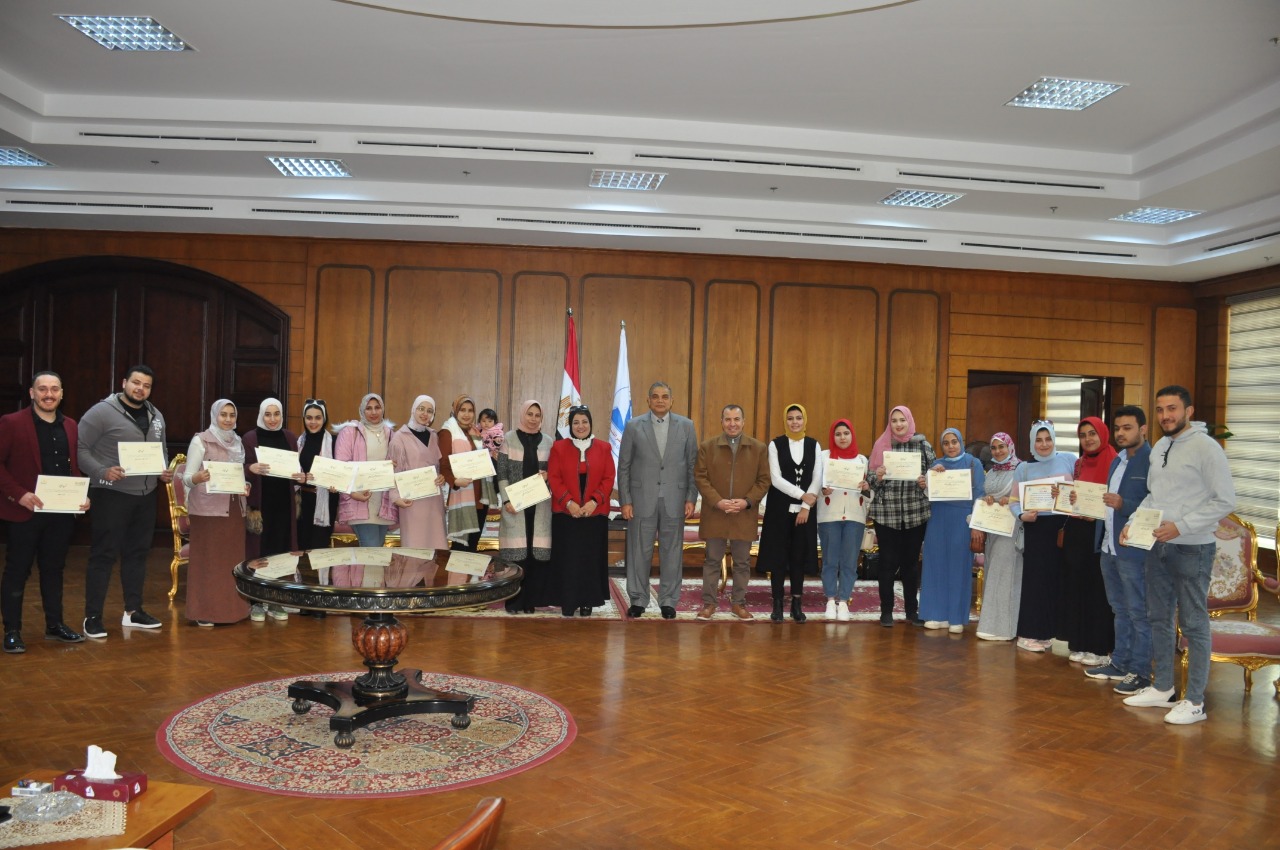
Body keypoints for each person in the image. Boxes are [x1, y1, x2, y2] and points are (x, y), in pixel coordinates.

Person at [1121, 386, 1235, 725]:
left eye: (1172, 408)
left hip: (1192, 547)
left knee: (1194, 624)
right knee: (1158, 617)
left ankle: (1195, 701)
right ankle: (1163, 688)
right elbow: (1154, 497)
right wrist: (1132, 522)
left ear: (1189, 410)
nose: (1165, 416)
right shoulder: (1160, 447)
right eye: (1160, 410)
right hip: (1158, 545)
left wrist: (1181, 527)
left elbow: (1225, 500)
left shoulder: (1207, 448)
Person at [77, 364, 173, 638]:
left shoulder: (156, 416)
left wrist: (163, 470)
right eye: (136, 383)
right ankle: (92, 617)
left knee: (138, 554)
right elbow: (80, 448)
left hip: (146, 496)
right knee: (104, 555)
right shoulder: (100, 412)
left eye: (146, 385)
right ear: (124, 383)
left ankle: (133, 611)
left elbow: (161, 451)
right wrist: (101, 471)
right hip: (111, 494)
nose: (140, 389)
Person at [0, 371, 90, 653]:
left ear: (61, 393)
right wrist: (20, 494)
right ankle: (12, 631)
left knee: (54, 570)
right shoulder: (11, 423)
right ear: (32, 393)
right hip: (24, 512)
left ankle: (55, 625)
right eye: (42, 389)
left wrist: (81, 495)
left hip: (60, 514)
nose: (48, 394)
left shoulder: (71, 425)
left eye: (54, 389)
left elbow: (72, 467)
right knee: (17, 571)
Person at [1083, 405, 1153, 695]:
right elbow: (1106, 503)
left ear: (1143, 429)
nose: (1121, 433)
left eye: (1128, 428)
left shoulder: (1151, 462)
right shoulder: (1117, 460)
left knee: (1139, 612)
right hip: (1109, 547)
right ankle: (1120, 663)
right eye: (1118, 428)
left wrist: (1124, 505)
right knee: (1119, 609)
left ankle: (1141, 671)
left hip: (1135, 550)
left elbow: (1156, 506)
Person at [618, 382, 698, 619]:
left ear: (672, 401)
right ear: (648, 400)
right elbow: (624, 466)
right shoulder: (633, 426)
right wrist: (626, 500)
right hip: (641, 500)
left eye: (664, 396)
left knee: (672, 553)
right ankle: (638, 599)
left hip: (675, 499)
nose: (660, 400)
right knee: (638, 552)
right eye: (655, 396)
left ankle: (668, 601)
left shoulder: (686, 426)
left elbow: (693, 465)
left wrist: (691, 497)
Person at [693, 404, 770, 623]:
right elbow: (700, 477)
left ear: (743, 422)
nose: (732, 424)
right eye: (728, 419)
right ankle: (709, 604)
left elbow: (764, 480)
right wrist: (717, 501)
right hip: (715, 513)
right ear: (722, 422)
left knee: (742, 562)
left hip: (743, 514)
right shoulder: (707, 447)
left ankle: (738, 604)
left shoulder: (758, 448)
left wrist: (746, 502)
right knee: (712, 560)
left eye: (736, 419)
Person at [181, 400, 252, 626]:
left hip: (234, 510)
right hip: (207, 512)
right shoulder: (200, 441)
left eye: (232, 415)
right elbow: (186, 477)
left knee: (231, 561)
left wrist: (245, 485)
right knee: (208, 562)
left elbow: (238, 475)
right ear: (214, 415)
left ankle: (233, 611)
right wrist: (197, 478)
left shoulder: (238, 442)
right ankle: (205, 612)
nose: (228, 419)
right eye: (223, 414)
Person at [1011, 420, 1076, 652]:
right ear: (1032, 442)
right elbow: (1013, 501)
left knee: (1060, 580)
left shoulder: (1069, 460)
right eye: (1038, 440)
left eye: (1048, 439)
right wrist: (1022, 515)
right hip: (1037, 529)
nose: (1044, 444)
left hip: (1064, 527)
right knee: (1036, 583)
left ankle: (1052, 633)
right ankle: (1030, 633)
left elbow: (1079, 492)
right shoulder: (1023, 468)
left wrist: (1067, 494)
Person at [867, 405, 934, 628]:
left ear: (909, 420)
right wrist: (877, 476)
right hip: (887, 514)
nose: (898, 424)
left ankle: (911, 611)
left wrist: (926, 482)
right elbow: (869, 480)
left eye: (902, 420)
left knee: (911, 565)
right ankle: (886, 611)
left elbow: (934, 475)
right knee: (887, 564)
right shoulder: (882, 444)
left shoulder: (923, 445)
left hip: (915, 514)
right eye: (894, 420)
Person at [548, 405, 615, 617]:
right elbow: (554, 478)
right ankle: (567, 601)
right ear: (570, 425)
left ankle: (588, 600)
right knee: (568, 559)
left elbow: (608, 478)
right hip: (566, 514)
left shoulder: (604, 448)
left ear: (590, 424)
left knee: (590, 559)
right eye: (576, 422)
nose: (580, 426)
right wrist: (569, 503)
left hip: (594, 514)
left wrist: (594, 502)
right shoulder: (558, 448)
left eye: (584, 422)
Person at [758, 404, 822, 623]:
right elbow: (775, 479)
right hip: (779, 510)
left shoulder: (814, 445)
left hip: (805, 512)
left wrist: (805, 506)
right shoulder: (775, 444)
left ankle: (796, 604)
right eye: (790, 418)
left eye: (798, 418)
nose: (795, 422)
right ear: (785, 421)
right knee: (778, 557)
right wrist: (802, 495)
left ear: (804, 420)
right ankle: (777, 603)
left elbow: (817, 477)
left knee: (798, 557)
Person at [1061, 417, 1117, 666]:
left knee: (1098, 589)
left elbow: (1116, 500)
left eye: (1092, 433)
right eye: (1083, 435)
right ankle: (1080, 643)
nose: (1088, 439)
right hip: (1078, 531)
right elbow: (1075, 494)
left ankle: (1100, 647)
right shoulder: (1080, 462)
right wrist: (1066, 496)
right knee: (1077, 586)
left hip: (1100, 532)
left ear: (1103, 434)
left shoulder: (1115, 461)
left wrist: (1097, 513)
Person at [918, 428, 985, 634]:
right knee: (935, 564)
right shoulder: (937, 464)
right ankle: (935, 614)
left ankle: (956, 617)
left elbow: (979, 494)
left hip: (962, 520)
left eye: (954, 441)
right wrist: (927, 480)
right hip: (938, 519)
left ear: (961, 442)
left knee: (958, 567)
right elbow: (929, 494)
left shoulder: (973, 463)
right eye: (946, 443)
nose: (950, 446)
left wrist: (975, 523)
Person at [243, 398, 303, 622]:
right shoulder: (250, 438)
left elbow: (295, 467)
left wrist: (299, 475)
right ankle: (257, 601)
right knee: (259, 552)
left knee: (281, 551)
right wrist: (250, 468)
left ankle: (276, 600)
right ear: (261, 415)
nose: (272, 419)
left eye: (276, 414)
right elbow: (240, 467)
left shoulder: (289, 437)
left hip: (284, 505)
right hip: (260, 505)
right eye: (267, 414)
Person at [496, 401, 555, 613]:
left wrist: (549, 475)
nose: (533, 418)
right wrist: (506, 501)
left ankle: (531, 601)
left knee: (535, 556)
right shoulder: (509, 439)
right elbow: (502, 473)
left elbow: (556, 472)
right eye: (529, 414)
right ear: (523, 415)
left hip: (540, 509)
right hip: (515, 508)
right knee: (516, 557)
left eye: (537, 415)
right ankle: (514, 601)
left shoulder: (548, 442)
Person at [816, 419, 871, 622]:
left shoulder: (862, 460)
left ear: (852, 435)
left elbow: (869, 493)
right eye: (838, 434)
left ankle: (844, 601)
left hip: (855, 517)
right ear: (833, 436)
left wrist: (866, 488)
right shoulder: (824, 457)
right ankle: (831, 599)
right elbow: (815, 485)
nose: (842, 437)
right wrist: (822, 490)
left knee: (849, 561)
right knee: (830, 560)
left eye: (846, 433)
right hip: (829, 515)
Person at [975, 432, 1023, 641]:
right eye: (994, 448)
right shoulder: (993, 471)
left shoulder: (1021, 469)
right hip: (993, 527)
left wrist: (1011, 499)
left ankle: (1005, 629)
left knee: (1005, 575)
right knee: (993, 572)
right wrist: (988, 499)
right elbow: (986, 495)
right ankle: (991, 624)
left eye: (1001, 446)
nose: (998, 451)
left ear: (1010, 447)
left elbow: (1026, 497)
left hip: (1011, 527)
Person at [334, 393, 398, 548]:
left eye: (377, 407)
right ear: (362, 410)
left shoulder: (391, 434)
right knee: (371, 549)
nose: (373, 412)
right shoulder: (350, 432)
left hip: (383, 504)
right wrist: (353, 493)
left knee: (376, 552)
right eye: (369, 408)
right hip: (359, 502)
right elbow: (342, 468)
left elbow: (398, 466)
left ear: (383, 409)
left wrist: (395, 465)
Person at [388, 394, 447, 550]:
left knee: (437, 548)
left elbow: (435, 468)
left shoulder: (433, 436)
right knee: (415, 548)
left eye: (429, 410)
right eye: (421, 409)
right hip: (411, 502)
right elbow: (393, 472)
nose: (424, 413)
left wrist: (441, 477)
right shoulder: (399, 438)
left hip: (434, 501)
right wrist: (396, 498)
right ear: (413, 409)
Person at [439, 396, 497, 551]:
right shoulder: (447, 432)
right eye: (462, 410)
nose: (466, 414)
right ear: (455, 411)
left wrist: (492, 457)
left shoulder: (476, 431)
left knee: (472, 548)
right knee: (460, 548)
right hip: (461, 494)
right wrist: (455, 481)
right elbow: (443, 465)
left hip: (480, 499)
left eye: (470, 410)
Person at [295, 398, 339, 551]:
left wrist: (336, 484)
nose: (313, 422)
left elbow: (340, 471)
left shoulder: (335, 442)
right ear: (304, 419)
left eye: (318, 418)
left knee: (319, 549)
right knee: (302, 549)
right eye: (309, 418)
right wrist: (298, 479)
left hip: (326, 501)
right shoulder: (298, 442)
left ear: (324, 419)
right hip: (302, 503)